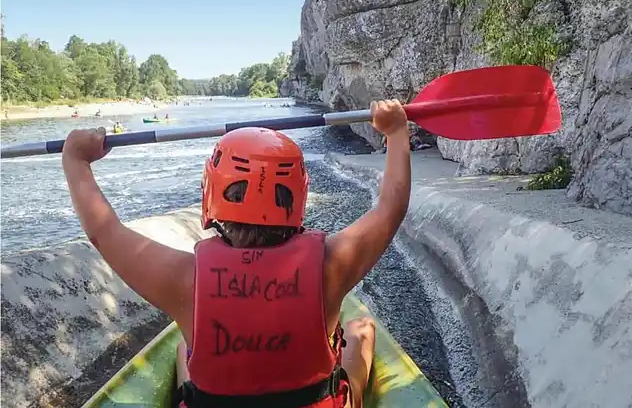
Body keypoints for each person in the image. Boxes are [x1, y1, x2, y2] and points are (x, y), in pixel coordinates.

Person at [61, 99, 412, 408]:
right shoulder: (331, 265)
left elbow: (104, 231)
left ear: (211, 192)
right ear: (297, 199)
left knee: (185, 351)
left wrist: (76, 160)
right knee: (361, 329)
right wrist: (396, 132)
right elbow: (390, 208)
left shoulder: (182, 279)